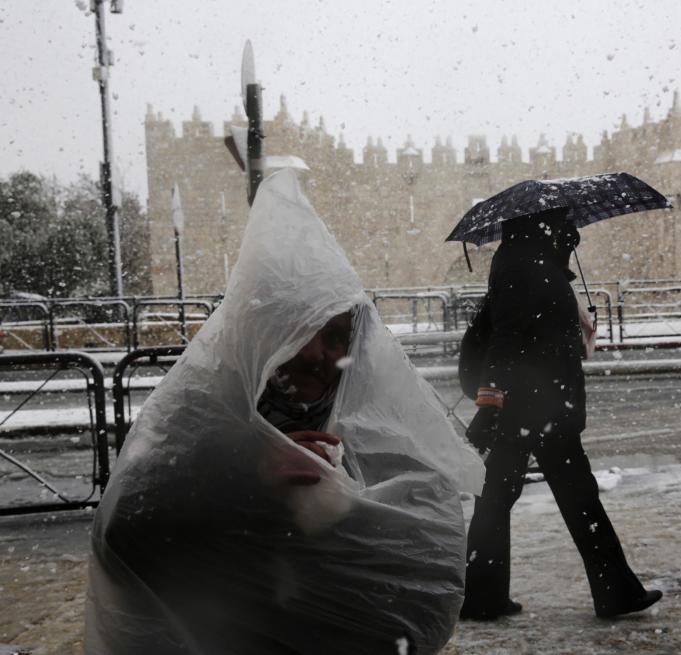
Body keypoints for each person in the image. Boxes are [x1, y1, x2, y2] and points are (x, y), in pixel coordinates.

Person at [85, 170, 484, 655]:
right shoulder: (201, 415)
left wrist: (343, 510)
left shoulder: (366, 426)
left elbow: (427, 587)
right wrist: (247, 477)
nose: (316, 353)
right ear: (254, 334)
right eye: (296, 333)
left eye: (335, 336)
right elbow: (125, 534)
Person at [458, 206, 662, 621]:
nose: (573, 231)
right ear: (544, 225)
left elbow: (531, 334)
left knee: (504, 500)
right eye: (566, 223)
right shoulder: (524, 266)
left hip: (540, 405)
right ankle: (615, 591)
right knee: (571, 499)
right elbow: (507, 340)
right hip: (532, 407)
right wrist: (491, 403)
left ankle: (484, 595)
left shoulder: (533, 261)